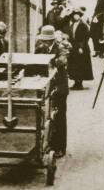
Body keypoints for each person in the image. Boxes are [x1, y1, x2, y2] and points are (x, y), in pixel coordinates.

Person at [35, 25, 71, 158]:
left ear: (51, 40)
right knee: (46, 117)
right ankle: (48, 143)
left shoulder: (60, 48)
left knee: (59, 117)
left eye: (46, 41)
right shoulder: (40, 48)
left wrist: (50, 61)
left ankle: (60, 147)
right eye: (43, 40)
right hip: (46, 87)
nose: (44, 43)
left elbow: (63, 60)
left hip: (59, 87)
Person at [66, 8, 93, 90]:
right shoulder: (72, 25)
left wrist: (81, 47)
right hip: (73, 47)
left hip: (82, 47)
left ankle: (79, 83)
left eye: (78, 15)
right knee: (74, 65)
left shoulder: (83, 25)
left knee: (81, 65)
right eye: (75, 15)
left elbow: (85, 38)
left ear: (80, 16)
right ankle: (75, 82)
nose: (76, 16)